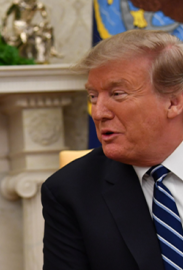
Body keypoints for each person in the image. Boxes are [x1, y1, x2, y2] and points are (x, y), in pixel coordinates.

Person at [42, 29, 183, 270]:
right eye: (93, 96)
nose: (98, 113)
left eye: (117, 94)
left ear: (173, 102)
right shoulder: (70, 191)